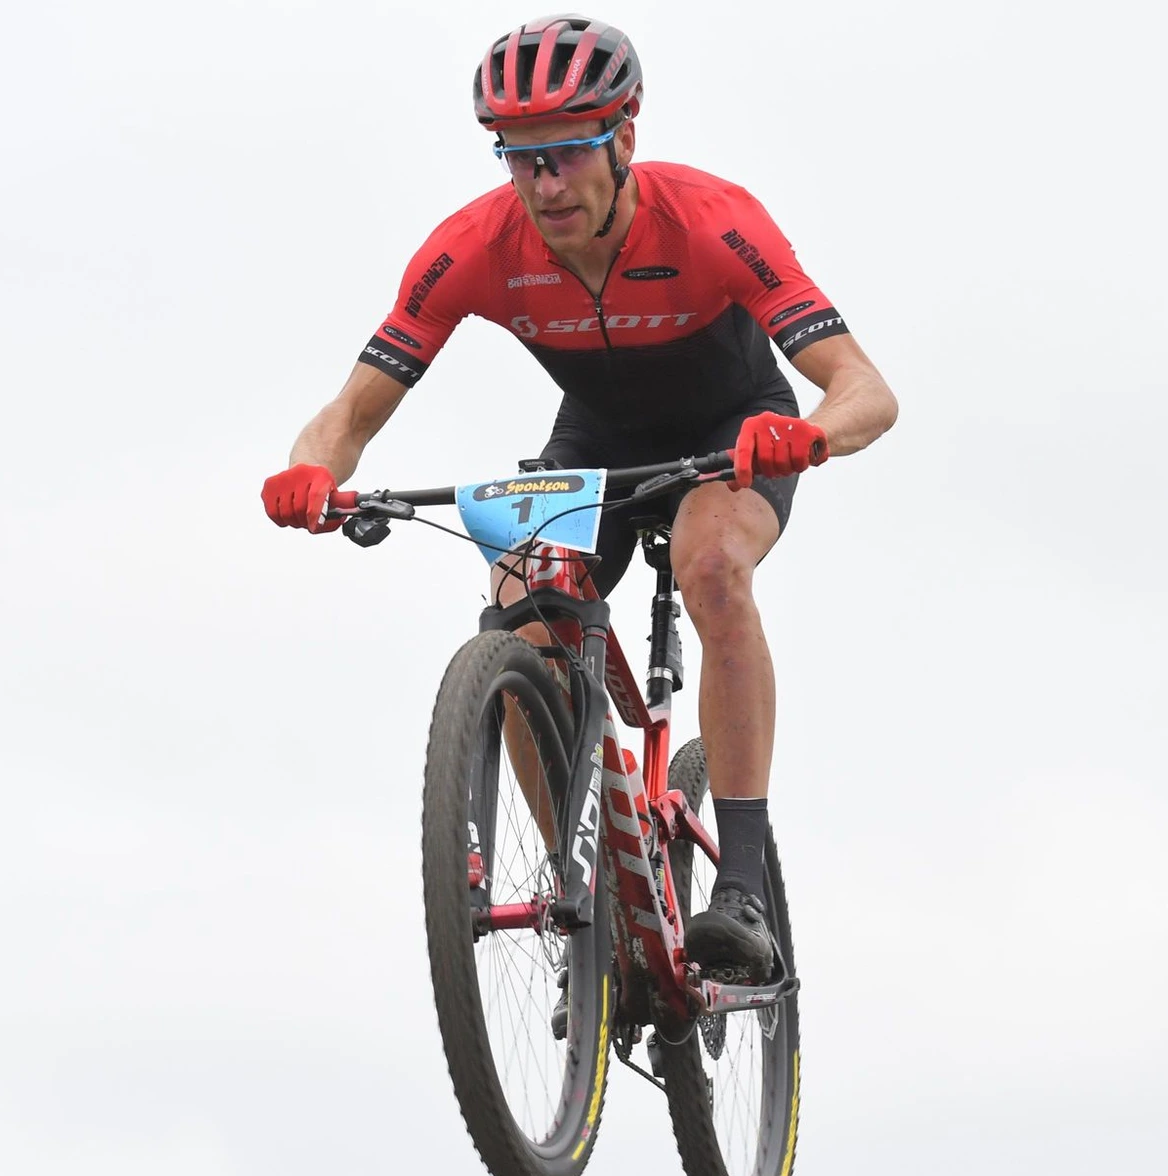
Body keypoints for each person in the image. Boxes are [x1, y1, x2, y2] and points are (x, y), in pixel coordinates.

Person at [262, 15, 897, 982]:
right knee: (521, 598)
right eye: (519, 159)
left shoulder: (714, 221)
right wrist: (311, 471)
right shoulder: (474, 246)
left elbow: (866, 390)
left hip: (734, 429)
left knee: (711, 566)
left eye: (564, 155)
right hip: (597, 441)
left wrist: (809, 432)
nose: (543, 184)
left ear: (623, 140)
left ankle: (743, 888)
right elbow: (350, 412)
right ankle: (585, 886)